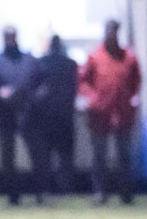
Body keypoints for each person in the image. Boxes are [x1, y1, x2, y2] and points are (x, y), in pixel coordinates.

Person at [79, 19, 141, 205]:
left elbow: (136, 82)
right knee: (99, 155)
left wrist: (133, 98)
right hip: (100, 113)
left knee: (124, 154)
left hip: (122, 113)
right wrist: (91, 97)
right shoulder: (95, 57)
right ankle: (100, 193)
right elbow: (83, 81)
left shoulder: (129, 58)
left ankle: (126, 193)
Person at [0, 26, 41, 205]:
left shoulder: (30, 61)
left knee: (36, 155)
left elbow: (43, 84)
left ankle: (39, 192)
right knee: (7, 157)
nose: (10, 39)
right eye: (7, 36)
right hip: (4, 116)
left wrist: (33, 98)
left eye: (12, 36)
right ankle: (12, 195)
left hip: (29, 115)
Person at [27, 35, 79, 201]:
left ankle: (45, 189)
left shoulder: (40, 63)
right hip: (63, 116)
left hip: (46, 117)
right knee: (63, 156)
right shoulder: (70, 65)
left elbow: (33, 88)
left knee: (46, 157)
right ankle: (64, 189)